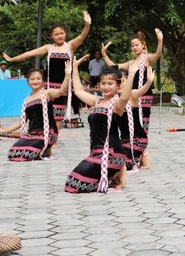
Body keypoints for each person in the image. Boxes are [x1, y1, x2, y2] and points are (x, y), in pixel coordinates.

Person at [3, 12, 92, 126]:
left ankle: (54, 140)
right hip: (48, 85)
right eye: (56, 34)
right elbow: (29, 53)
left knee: (58, 114)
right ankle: (41, 133)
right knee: (45, 110)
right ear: (52, 36)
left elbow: (82, 36)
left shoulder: (70, 46)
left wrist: (87, 24)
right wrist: (12, 59)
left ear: (65, 34)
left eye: (61, 33)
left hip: (63, 84)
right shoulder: (48, 48)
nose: (59, 36)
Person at [64, 57, 139, 193]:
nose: (106, 86)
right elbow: (79, 91)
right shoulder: (97, 101)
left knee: (77, 186)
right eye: (103, 83)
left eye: (110, 83)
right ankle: (113, 178)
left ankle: (116, 172)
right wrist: (74, 69)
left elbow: (125, 97)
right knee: (71, 183)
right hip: (96, 154)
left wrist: (132, 74)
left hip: (112, 154)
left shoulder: (117, 104)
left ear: (118, 85)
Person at [102, 28, 163, 138]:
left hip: (144, 95)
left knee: (143, 124)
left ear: (143, 45)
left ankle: (141, 149)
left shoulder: (147, 58)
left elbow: (158, 54)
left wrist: (160, 41)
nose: (134, 47)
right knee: (132, 121)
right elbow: (114, 66)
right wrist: (104, 54)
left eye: (137, 45)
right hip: (132, 96)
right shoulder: (131, 63)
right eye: (132, 45)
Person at [0, 68, 69, 161]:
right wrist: (4, 131)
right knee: (12, 154)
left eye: (38, 78)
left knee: (26, 155)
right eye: (32, 79)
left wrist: (67, 75)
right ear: (28, 82)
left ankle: (45, 148)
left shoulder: (46, 93)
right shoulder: (26, 100)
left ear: (43, 81)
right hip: (31, 134)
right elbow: (21, 123)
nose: (35, 81)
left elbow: (61, 91)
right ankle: (42, 150)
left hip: (47, 133)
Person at [119, 65, 155, 172]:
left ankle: (141, 155)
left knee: (123, 164)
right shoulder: (114, 98)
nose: (120, 84)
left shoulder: (132, 94)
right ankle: (140, 156)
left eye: (123, 80)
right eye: (118, 81)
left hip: (138, 139)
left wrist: (148, 82)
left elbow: (142, 91)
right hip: (124, 141)